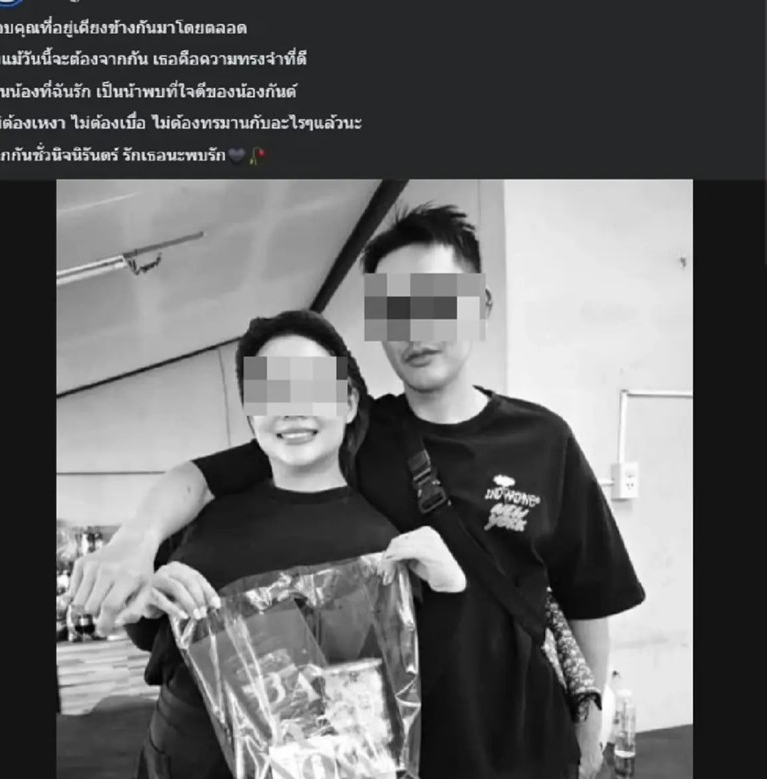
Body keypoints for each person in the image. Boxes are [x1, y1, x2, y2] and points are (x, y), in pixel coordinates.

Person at [69, 205, 646, 779]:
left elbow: (588, 595)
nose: (415, 330)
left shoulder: (543, 439)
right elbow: (196, 478)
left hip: (528, 741)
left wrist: (589, 718)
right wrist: (135, 542)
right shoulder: (356, 435)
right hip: (412, 748)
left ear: (482, 306)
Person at [121, 309, 465, 779]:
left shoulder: (380, 545)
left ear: (348, 402)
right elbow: (152, 642)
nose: (291, 408)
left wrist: (450, 590)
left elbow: (392, 707)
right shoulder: (198, 514)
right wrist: (148, 602)